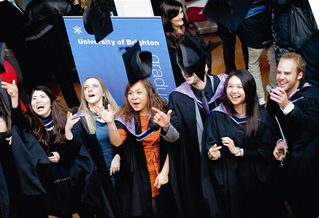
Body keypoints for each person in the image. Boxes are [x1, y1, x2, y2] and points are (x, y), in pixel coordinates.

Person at [110, 43, 180, 218]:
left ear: (149, 93)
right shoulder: (124, 117)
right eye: (130, 93)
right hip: (141, 176)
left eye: (139, 92)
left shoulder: (162, 111)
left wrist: (165, 172)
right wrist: (110, 122)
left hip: (166, 168)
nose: (134, 97)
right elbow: (118, 141)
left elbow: (174, 146)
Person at [202, 69, 276, 218]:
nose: (234, 91)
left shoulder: (262, 117)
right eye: (230, 86)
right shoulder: (217, 116)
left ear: (248, 89)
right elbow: (209, 146)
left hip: (254, 182)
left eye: (239, 87)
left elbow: (267, 152)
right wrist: (212, 154)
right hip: (229, 183)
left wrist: (240, 151)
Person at [1, 82, 81, 218]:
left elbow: (77, 149)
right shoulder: (30, 124)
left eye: (42, 97)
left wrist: (61, 155)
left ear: (51, 100)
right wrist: (14, 98)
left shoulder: (66, 118)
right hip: (50, 181)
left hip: (73, 176)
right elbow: (18, 121)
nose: (38, 101)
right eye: (34, 98)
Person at [167, 40, 227, 218]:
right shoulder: (177, 97)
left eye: (190, 69)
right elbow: (174, 136)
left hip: (230, 157)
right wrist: (165, 127)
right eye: (182, 69)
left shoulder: (226, 86)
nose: (185, 73)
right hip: (199, 163)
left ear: (206, 67)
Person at [267, 52, 319, 218]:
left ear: (300, 75)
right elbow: (272, 123)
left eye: (287, 73)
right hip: (285, 164)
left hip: (309, 165)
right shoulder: (275, 95)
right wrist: (279, 141)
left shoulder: (313, 97)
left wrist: (288, 107)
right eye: (279, 72)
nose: (281, 77)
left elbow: (313, 125)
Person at [65, 76, 124, 218]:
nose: (90, 89)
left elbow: (127, 143)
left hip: (122, 172)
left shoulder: (117, 114)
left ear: (103, 92)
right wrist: (67, 131)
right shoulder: (81, 120)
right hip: (101, 178)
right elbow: (76, 150)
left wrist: (119, 155)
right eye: (86, 88)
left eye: (94, 86)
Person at [160, 0, 219, 86]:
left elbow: (205, 50)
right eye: (177, 14)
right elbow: (181, 63)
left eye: (181, 12)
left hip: (204, 75)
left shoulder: (191, 28)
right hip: (187, 81)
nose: (181, 16)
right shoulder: (167, 40)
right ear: (169, 17)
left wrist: (206, 67)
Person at [237, 0, 277, 105]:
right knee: (273, 59)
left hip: (249, 20)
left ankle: (260, 97)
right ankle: (273, 86)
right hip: (265, 15)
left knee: (253, 64)